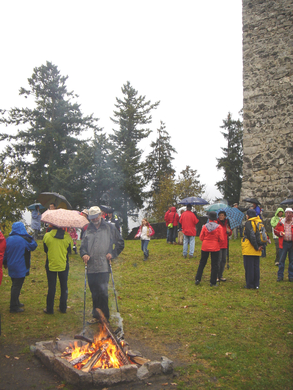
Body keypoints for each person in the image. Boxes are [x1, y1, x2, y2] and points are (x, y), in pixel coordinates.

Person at [80, 206, 124, 321]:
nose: (94, 220)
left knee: (103, 293)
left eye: (96, 217)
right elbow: (82, 247)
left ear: (101, 215)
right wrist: (84, 254)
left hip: (104, 266)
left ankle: (105, 318)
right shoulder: (87, 229)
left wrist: (112, 254)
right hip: (91, 266)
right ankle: (96, 316)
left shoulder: (110, 227)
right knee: (94, 293)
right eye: (92, 218)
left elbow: (120, 243)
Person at [3, 222, 37, 313]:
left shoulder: (8, 239)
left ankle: (16, 302)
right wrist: (29, 236)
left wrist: (5, 263)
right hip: (20, 266)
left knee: (14, 285)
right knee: (17, 286)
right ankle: (13, 306)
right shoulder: (24, 240)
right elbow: (34, 245)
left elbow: (5, 253)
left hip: (11, 266)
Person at [43, 226, 73, 314]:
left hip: (50, 264)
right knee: (64, 287)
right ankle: (63, 308)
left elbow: (45, 250)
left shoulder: (47, 236)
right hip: (63, 264)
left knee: (51, 287)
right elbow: (69, 250)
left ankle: (49, 309)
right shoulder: (67, 236)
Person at [195, 211, 223, 287]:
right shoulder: (219, 227)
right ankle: (213, 282)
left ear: (209, 218)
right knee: (214, 265)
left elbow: (201, 237)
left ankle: (198, 278)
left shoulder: (204, 226)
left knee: (202, 263)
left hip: (205, 246)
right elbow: (221, 238)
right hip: (215, 246)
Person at [241, 209, 264, 289]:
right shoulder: (259, 222)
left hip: (250, 249)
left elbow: (251, 236)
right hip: (257, 249)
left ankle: (250, 285)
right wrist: (261, 245)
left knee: (249, 267)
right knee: (256, 267)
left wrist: (256, 247)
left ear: (248, 215)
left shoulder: (249, 223)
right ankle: (256, 284)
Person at [274, 207, 293, 282]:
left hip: (291, 243)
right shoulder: (281, 221)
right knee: (281, 260)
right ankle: (280, 276)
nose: (288, 215)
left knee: (292, 260)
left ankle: (291, 276)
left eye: (290, 213)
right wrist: (279, 233)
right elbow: (275, 230)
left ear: (292, 214)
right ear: (285, 214)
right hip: (283, 243)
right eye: (287, 213)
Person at [216, 211, 232, 282]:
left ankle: (220, 275)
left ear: (225, 216)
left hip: (225, 244)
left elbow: (230, 233)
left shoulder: (227, 223)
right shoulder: (217, 223)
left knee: (223, 260)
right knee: (218, 260)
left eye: (222, 215)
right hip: (219, 244)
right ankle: (216, 275)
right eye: (220, 215)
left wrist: (229, 231)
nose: (221, 216)